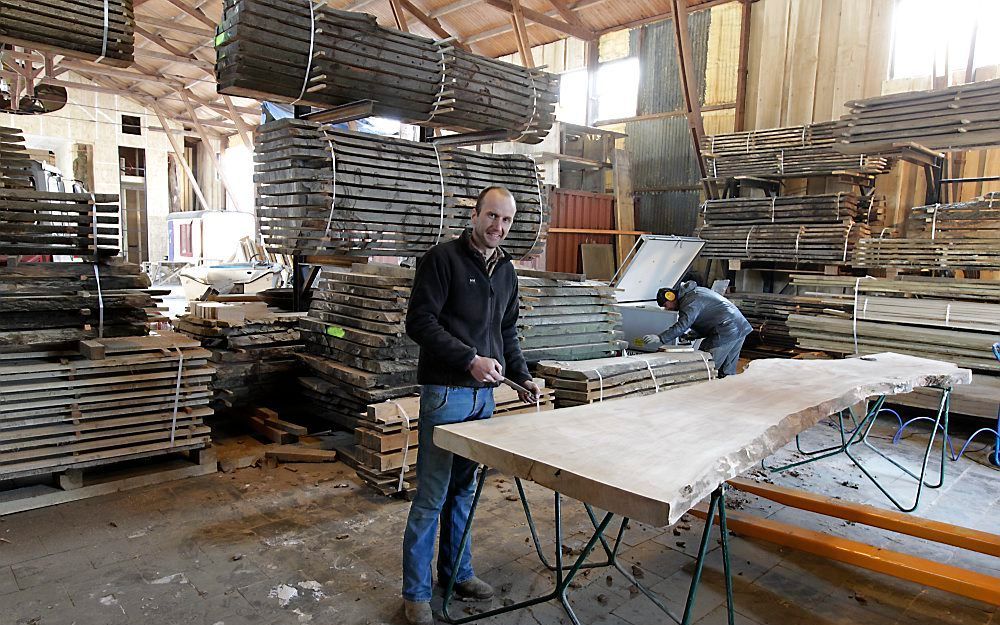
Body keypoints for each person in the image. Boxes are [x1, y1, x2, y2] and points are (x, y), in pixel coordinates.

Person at [401, 186, 541, 625]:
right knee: (431, 496)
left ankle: (457, 573)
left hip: (484, 398)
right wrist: (468, 360)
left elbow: (507, 332)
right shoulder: (442, 259)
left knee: (464, 493)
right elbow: (419, 322)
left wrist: (521, 377)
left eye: (507, 221)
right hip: (447, 394)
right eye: (492, 216)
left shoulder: (506, 271)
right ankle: (416, 595)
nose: (498, 227)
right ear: (476, 214)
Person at [641, 280, 752, 377]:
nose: (667, 309)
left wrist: (660, 338)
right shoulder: (694, 293)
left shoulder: (689, 302)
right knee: (727, 370)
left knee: (706, 364)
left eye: (666, 305)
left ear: (671, 297)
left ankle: (704, 395)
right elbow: (709, 316)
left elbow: (682, 326)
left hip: (726, 329)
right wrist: (695, 334)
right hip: (739, 326)